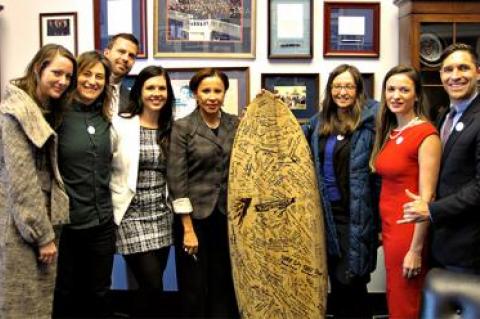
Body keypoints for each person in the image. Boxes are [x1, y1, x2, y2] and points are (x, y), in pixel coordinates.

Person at [0, 44, 75, 318]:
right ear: (38, 68)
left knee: (37, 303)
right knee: (22, 305)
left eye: (68, 77)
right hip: (21, 229)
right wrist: (42, 236)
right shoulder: (14, 113)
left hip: (37, 224)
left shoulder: (42, 110)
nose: (63, 81)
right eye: (57, 73)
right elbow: (22, 182)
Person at [303, 64, 379, 318]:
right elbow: (292, 139)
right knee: (336, 284)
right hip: (326, 218)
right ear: (330, 89)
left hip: (355, 216)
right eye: (337, 86)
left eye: (348, 86)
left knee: (353, 281)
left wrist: (379, 224)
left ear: (358, 90)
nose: (342, 91)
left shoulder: (371, 121)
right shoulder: (320, 122)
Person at [167, 68, 239, 318]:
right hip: (194, 220)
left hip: (226, 218)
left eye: (217, 91)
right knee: (193, 287)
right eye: (206, 91)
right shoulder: (183, 128)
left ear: (224, 93)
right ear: (196, 94)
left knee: (224, 284)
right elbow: (177, 179)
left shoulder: (235, 124)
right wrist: (187, 229)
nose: (212, 97)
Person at [402, 43, 480, 274]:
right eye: (448, 70)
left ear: (477, 72)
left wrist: (433, 210)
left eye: (463, 68)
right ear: (440, 75)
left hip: (469, 248)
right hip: (442, 243)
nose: (455, 76)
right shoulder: (444, 114)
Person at [370, 65, 441, 318]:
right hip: (390, 228)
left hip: (409, 231)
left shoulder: (425, 134)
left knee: (406, 301)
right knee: (395, 294)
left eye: (404, 89)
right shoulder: (391, 131)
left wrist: (415, 249)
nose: (396, 95)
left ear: (417, 95)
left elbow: (427, 198)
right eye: (391, 89)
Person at [53, 51, 115, 318]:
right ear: (74, 77)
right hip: (67, 224)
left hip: (102, 223)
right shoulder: (56, 115)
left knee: (99, 292)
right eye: (86, 74)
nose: (92, 81)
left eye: (99, 76)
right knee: (66, 292)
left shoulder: (105, 118)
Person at [110, 66, 175, 316]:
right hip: (131, 216)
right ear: (140, 92)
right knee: (153, 285)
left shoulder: (171, 128)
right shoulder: (121, 124)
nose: (156, 93)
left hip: (162, 216)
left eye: (161, 88)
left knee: (149, 289)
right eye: (150, 88)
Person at [103, 33, 139, 115]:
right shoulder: (88, 88)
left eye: (131, 56)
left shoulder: (132, 100)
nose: (126, 58)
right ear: (106, 53)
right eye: (121, 52)